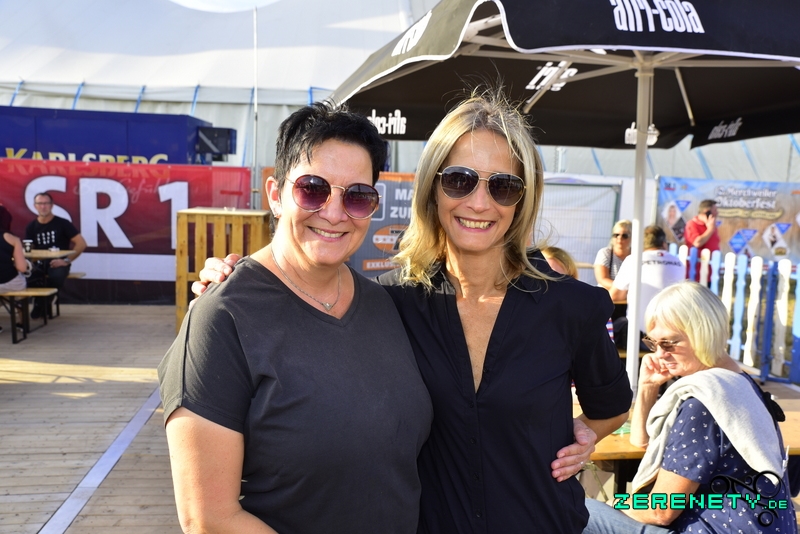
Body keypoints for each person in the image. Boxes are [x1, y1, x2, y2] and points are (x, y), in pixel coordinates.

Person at [195, 92, 632, 533]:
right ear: (432, 188)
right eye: (459, 180)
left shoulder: (570, 306)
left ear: (523, 198)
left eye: (502, 186)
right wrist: (238, 279)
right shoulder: (392, 301)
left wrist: (584, 436)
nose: (479, 203)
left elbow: (613, 406)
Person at [158, 103, 434, 533]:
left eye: (357, 196)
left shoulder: (385, 304)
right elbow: (209, 518)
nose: (334, 213)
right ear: (275, 195)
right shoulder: (223, 317)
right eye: (313, 189)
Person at [584, 281, 795, 534]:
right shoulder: (739, 383)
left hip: (716, 528)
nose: (658, 354)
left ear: (702, 334)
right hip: (761, 524)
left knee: (578, 511)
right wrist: (648, 387)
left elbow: (662, 509)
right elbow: (642, 442)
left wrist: (613, 504)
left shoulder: (702, 404)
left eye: (668, 343)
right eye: (652, 343)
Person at [609, 225, 684, 348]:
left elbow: (615, 296)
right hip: (670, 334)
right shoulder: (679, 262)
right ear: (664, 243)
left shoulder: (633, 260)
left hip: (639, 336)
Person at [25, 192, 86, 318]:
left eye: (46, 203)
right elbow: (29, 248)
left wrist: (66, 261)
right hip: (39, 263)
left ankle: (43, 302)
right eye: (40, 204)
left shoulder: (63, 223)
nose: (43, 207)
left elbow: (81, 244)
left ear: (52, 205)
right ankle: (39, 302)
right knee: (25, 277)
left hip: (58, 262)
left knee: (57, 275)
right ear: (35, 206)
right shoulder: (31, 226)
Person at [0, 206, 29, 334]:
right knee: (19, 294)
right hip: (10, 283)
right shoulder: (13, 239)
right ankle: (23, 323)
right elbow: (21, 268)